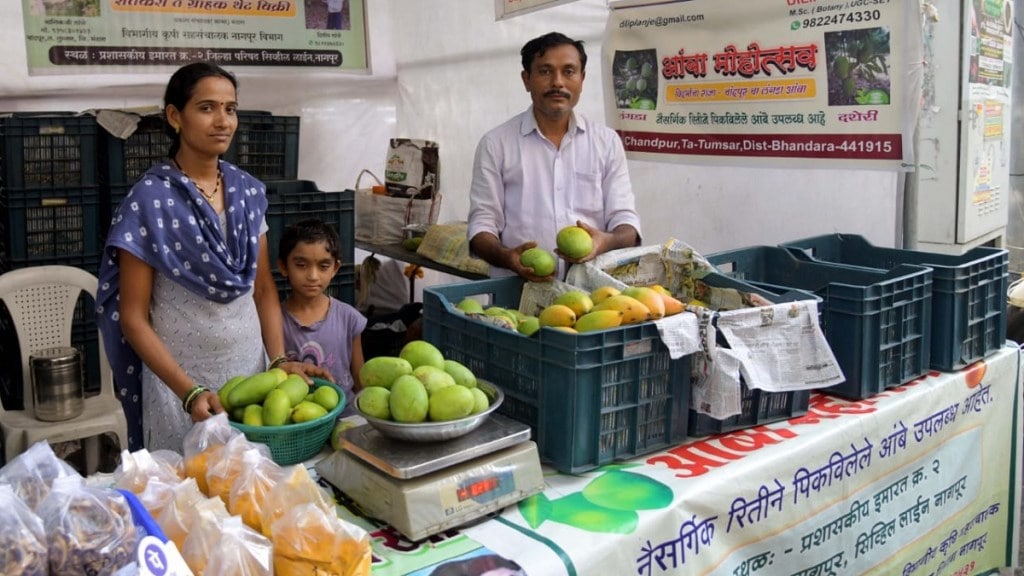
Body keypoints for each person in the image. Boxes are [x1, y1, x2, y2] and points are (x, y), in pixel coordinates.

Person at [96, 62, 329, 452]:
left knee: (252, 490)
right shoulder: (149, 203)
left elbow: (263, 289)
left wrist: (276, 361)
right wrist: (188, 392)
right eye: (207, 108)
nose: (222, 121)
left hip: (250, 373)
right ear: (175, 116)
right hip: (181, 385)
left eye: (230, 108)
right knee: (190, 498)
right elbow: (134, 318)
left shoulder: (247, 194)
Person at [468, 31, 642, 281]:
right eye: (545, 71)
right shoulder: (496, 144)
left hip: (593, 295)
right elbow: (481, 226)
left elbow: (626, 223)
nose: (557, 82)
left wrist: (606, 241)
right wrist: (506, 256)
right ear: (526, 80)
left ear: (582, 79)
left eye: (569, 71)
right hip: (517, 297)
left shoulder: (606, 142)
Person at [278, 218, 366, 416]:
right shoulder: (275, 321)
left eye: (323, 266)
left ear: (335, 268)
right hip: (298, 416)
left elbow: (359, 378)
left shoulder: (348, 317)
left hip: (345, 413)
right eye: (301, 265)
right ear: (283, 266)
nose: (313, 276)